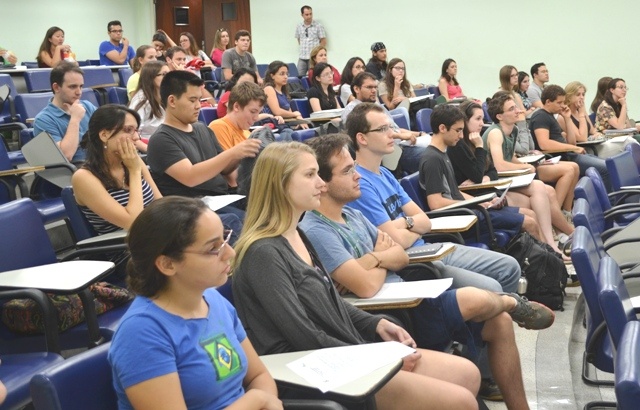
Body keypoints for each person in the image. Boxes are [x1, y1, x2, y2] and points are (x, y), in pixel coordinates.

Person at [301, 133, 554, 409]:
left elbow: (398, 255)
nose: (357, 175)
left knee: (500, 323)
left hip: (408, 292)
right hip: (392, 313)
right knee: (481, 298)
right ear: (322, 183)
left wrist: (373, 260)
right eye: (347, 170)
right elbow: (365, 287)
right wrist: (380, 257)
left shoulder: (353, 215)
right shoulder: (317, 229)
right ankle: (512, 301)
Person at [232, 141, 481, 410]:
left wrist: (375, 324)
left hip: (341, 354)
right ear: (279, 184)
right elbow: (302, 335)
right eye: (309, 175)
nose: (321, 184)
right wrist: (376, 356)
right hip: (309, 370)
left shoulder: (297, 234)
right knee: (461, 401)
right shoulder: (263, 252)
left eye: (318, 173)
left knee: (467, 373)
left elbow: (332, 304)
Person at [109, 196, 283, 410]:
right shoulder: (141, 333)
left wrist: (264, 399)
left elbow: (258, 375)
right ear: (167, 264)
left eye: (225, 240)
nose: (230, 252)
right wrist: (257, 400)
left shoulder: (212, 299)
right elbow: (258, 395)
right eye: (213, 248)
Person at [346, 103, 521, 293]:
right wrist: (412, 224)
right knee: (493, 287)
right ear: (362, 138)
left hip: (426, 246)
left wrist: (405, 223)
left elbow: (425, 222)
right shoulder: (360, 183)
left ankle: (505, 309)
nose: (392, 134)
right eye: (382, 129)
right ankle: (506, 310)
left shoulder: (385, 173)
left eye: (390, 127)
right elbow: (397, 240)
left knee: (509, 267)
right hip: (410, 259)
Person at [418, 103, 547, 254]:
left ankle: (551, 257)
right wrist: (475, 205)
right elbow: (436, 203)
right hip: (463, 217)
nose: (461, 136)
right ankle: (549, 266)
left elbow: (455, 192)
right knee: (529, 222)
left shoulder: (442, 153)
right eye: (458, 130)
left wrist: (482, 202)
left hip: (468, 210)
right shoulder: (432, 159)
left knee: (530, 214)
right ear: (442, 128)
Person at [146, 70, 260, 222]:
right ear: (172, 101)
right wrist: (233, 152)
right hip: (191, 210)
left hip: (221, 200)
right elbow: (191, 177)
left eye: (200, 100)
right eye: (192, 100)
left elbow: (225, 169)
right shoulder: (161, 139)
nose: (198, 106)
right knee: (246, 222)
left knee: (272, 208)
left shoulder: (202, 128)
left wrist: (243, 153)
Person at [482, 94, 575, 257]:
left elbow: (509, 157)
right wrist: (526, 169)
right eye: (512, 109)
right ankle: (552, 243)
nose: (518, 111)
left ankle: (560, 236)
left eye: (516, 107)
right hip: (493, 183)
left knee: (550, 192)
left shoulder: (513, 130)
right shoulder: (495, 133)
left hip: (506, 179)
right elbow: (498, 165)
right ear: (499, 116)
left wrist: (526, 165)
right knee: (539, 187)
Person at [72, 104, 161, 234]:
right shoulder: (83, 178)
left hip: (157, 236)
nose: (136, 137)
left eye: (136, 130)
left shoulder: (134, 162)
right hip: (126, 248)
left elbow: (160, 203)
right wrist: (135, 172)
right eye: (128, 130)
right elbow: (132, 221)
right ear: (104, 135)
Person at [529, 84, 612, 191]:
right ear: (548, 102)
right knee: (605, 168)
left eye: (563, 102)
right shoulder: (541, 116)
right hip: (560, 158)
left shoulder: (551, 116)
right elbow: (544, 143)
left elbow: (572, 142)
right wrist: (574, 148)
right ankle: (607, 203)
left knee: (608, 164)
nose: (563, 106)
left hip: (569, 154)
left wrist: (567, 119)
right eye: (559, 103)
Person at [341, 72, 427, 174]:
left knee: (437, 150)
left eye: (375, 87)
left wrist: (419, 134)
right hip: (387, 154)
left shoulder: (377, 106)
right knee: (429, 157)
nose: (374, 91)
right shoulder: (353, 110)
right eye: (369, 87)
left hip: (399, 146)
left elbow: (394, 128)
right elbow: (372, 135)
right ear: (356, 89)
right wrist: (402, 136)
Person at [33, 62, 97, 162]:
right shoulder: (43, 119)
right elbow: (65, 156)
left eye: (81, 86)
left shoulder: (88, 106)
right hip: (74, 170)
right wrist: (75, 119)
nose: (79, 92)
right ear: (56, 87)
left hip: (98, 164)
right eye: (73, 87)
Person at [563, 81, 638, 158]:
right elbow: (582, 138)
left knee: (628, 143)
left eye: (583, 94)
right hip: (584, 150)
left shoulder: (580, 110)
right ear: (569, 96)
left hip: (594, 144)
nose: (582, 97)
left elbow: (592, 130)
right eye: (578, 95)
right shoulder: (566, 115)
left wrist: (597, 134)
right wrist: (581, 113)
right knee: (628, 141)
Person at [208, 81, 266, 151]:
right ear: (236, 107)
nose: (256, 118)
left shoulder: (245, 130)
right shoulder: (218, 126)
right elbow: (228, 161)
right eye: (253, 112)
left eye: (259, 113)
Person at [129, 60, 169, 147]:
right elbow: (133, 135)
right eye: (164, 74)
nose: (168, 78)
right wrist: (150, 151)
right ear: (151, 77)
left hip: (166, 142)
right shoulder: (141, 99)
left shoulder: (166, 95)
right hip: (149, 145)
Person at [262, 61, 308, 128]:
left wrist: (298, 116)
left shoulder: (283, 92)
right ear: (272, 76)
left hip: (285, 124)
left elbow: (290, 113)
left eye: (286, 74)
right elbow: (277, 111)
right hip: (274, 125)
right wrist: (295, 114)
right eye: (282, 74)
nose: (286, 77)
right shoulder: (269, 89)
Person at [295, 5, 326, 75]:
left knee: (313, 76)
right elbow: (298, 39)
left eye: (311, 14)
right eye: (306, 14)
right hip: (302, 57)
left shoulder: (318, 26)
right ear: (302, 15)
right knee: (298, 76)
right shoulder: (299, 26)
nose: (309, 16)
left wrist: (318, 54)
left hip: (312, 58)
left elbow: (323, 41)